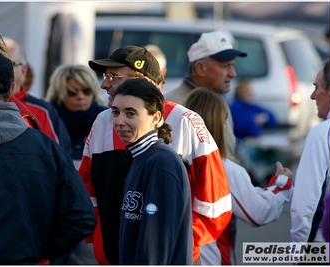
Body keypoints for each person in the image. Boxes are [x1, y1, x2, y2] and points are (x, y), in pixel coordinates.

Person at [0, 50, 96, 264]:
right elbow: (82, 218)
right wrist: (36, 249)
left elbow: (82, 219)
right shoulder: (48, 148)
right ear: (12, 87)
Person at [80, 45, 232, 264]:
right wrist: (102, 245)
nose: (104, 84)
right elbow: (86, 189)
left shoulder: (186, 121)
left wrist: (178, 243)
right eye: (105, 76)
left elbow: (216, 203)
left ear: (142, 80)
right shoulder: (103, 121)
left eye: (113, 76)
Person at [184, 88, 293, 265]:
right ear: (222, 124)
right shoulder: (225, 169)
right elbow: (259, 212)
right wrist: (281, 184)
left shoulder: (171, 161)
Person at [112, 78, 193, 264]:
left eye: (130, 113)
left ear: (155, 118)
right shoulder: (142, 157)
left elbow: (155, 249)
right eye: (115, 112)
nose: (119, 121)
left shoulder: (160, 163)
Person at [164, 30, 247, 161]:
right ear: (200, 68)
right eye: (226, 66)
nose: (233, 73)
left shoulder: (219, 101)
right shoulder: (172, 106)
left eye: (233, 66)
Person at [3, 37, 72, 154]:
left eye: (9, 64)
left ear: (24, 70)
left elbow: (60, 160)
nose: (1, 69)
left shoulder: (43, 111)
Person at [290, 57, 330, 245]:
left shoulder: (322, 134)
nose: (312, 96)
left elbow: (304, 207)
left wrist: (299, 253)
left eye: (316, 87)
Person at [45, 64, 108, 168]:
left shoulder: (105, 119)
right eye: (72, 92)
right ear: (58, 94)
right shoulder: (47, 119)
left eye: (86, 90)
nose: (80, 96)